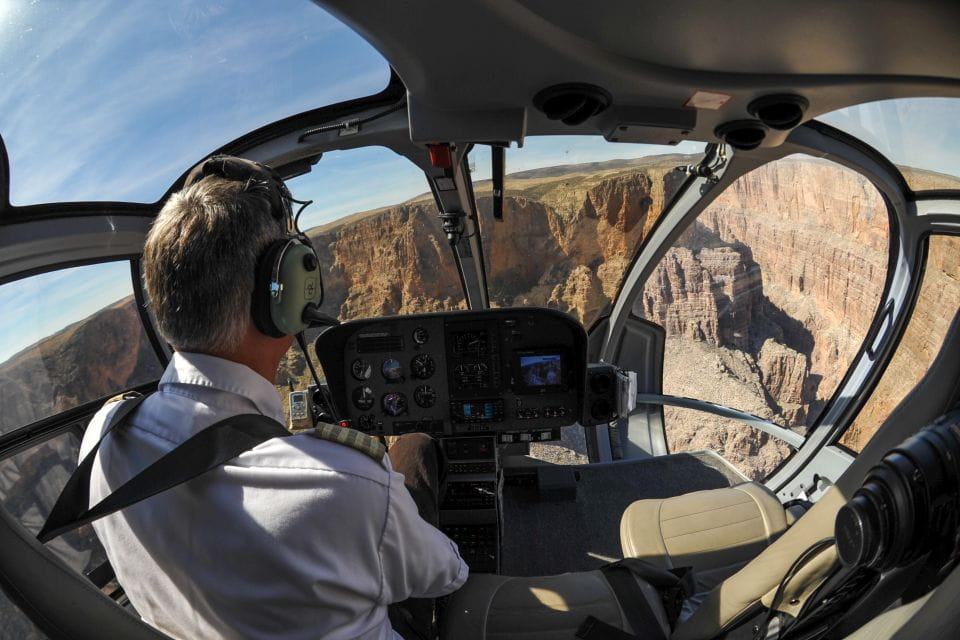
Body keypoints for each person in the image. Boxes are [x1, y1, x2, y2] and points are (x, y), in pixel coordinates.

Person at [79, 159, 467, 640]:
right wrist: (381, 487)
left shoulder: (102, 436)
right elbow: (445, 574)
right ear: (283, 296)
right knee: (417, 449)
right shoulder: (345, 485)